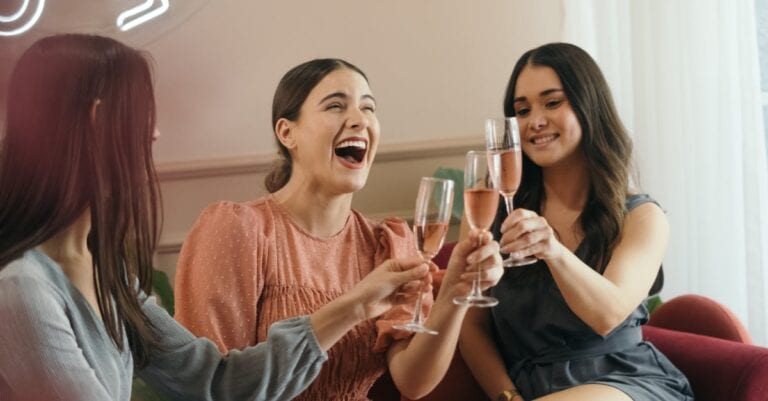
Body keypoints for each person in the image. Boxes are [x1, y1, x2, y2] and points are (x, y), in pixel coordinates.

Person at [0, 34, 435, 401]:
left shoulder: (109, 280)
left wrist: (358, 304)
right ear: (97, 121)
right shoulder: (22, 289)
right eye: (143, 113)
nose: (154, 132)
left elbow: (217, 382)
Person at [174, 58, 504, 401]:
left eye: (368, 108)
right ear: (287, 133)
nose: (360, 120)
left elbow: (413, 381)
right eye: (335, 105)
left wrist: (454, 293)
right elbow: (210, 387)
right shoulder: (239, 229)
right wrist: (355, 305)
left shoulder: (387, 243)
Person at [458, 43, 694, 401]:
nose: (535, 121)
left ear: (588, 105)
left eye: (552, 102)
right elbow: (471, 325)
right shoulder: (492, 209)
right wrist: (507, 396)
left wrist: (551, 249)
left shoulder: (642, 217)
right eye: (522, 110)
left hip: (626, 383)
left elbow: (608, 314)